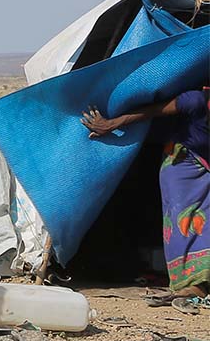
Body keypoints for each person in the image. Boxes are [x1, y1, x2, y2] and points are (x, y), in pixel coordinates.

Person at [82, 88, 209, 299]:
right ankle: (191, 282)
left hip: (206, 164)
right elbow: (152, 111)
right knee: (183, 220)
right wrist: (110, 124)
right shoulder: (195, 100)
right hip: (181, 164)